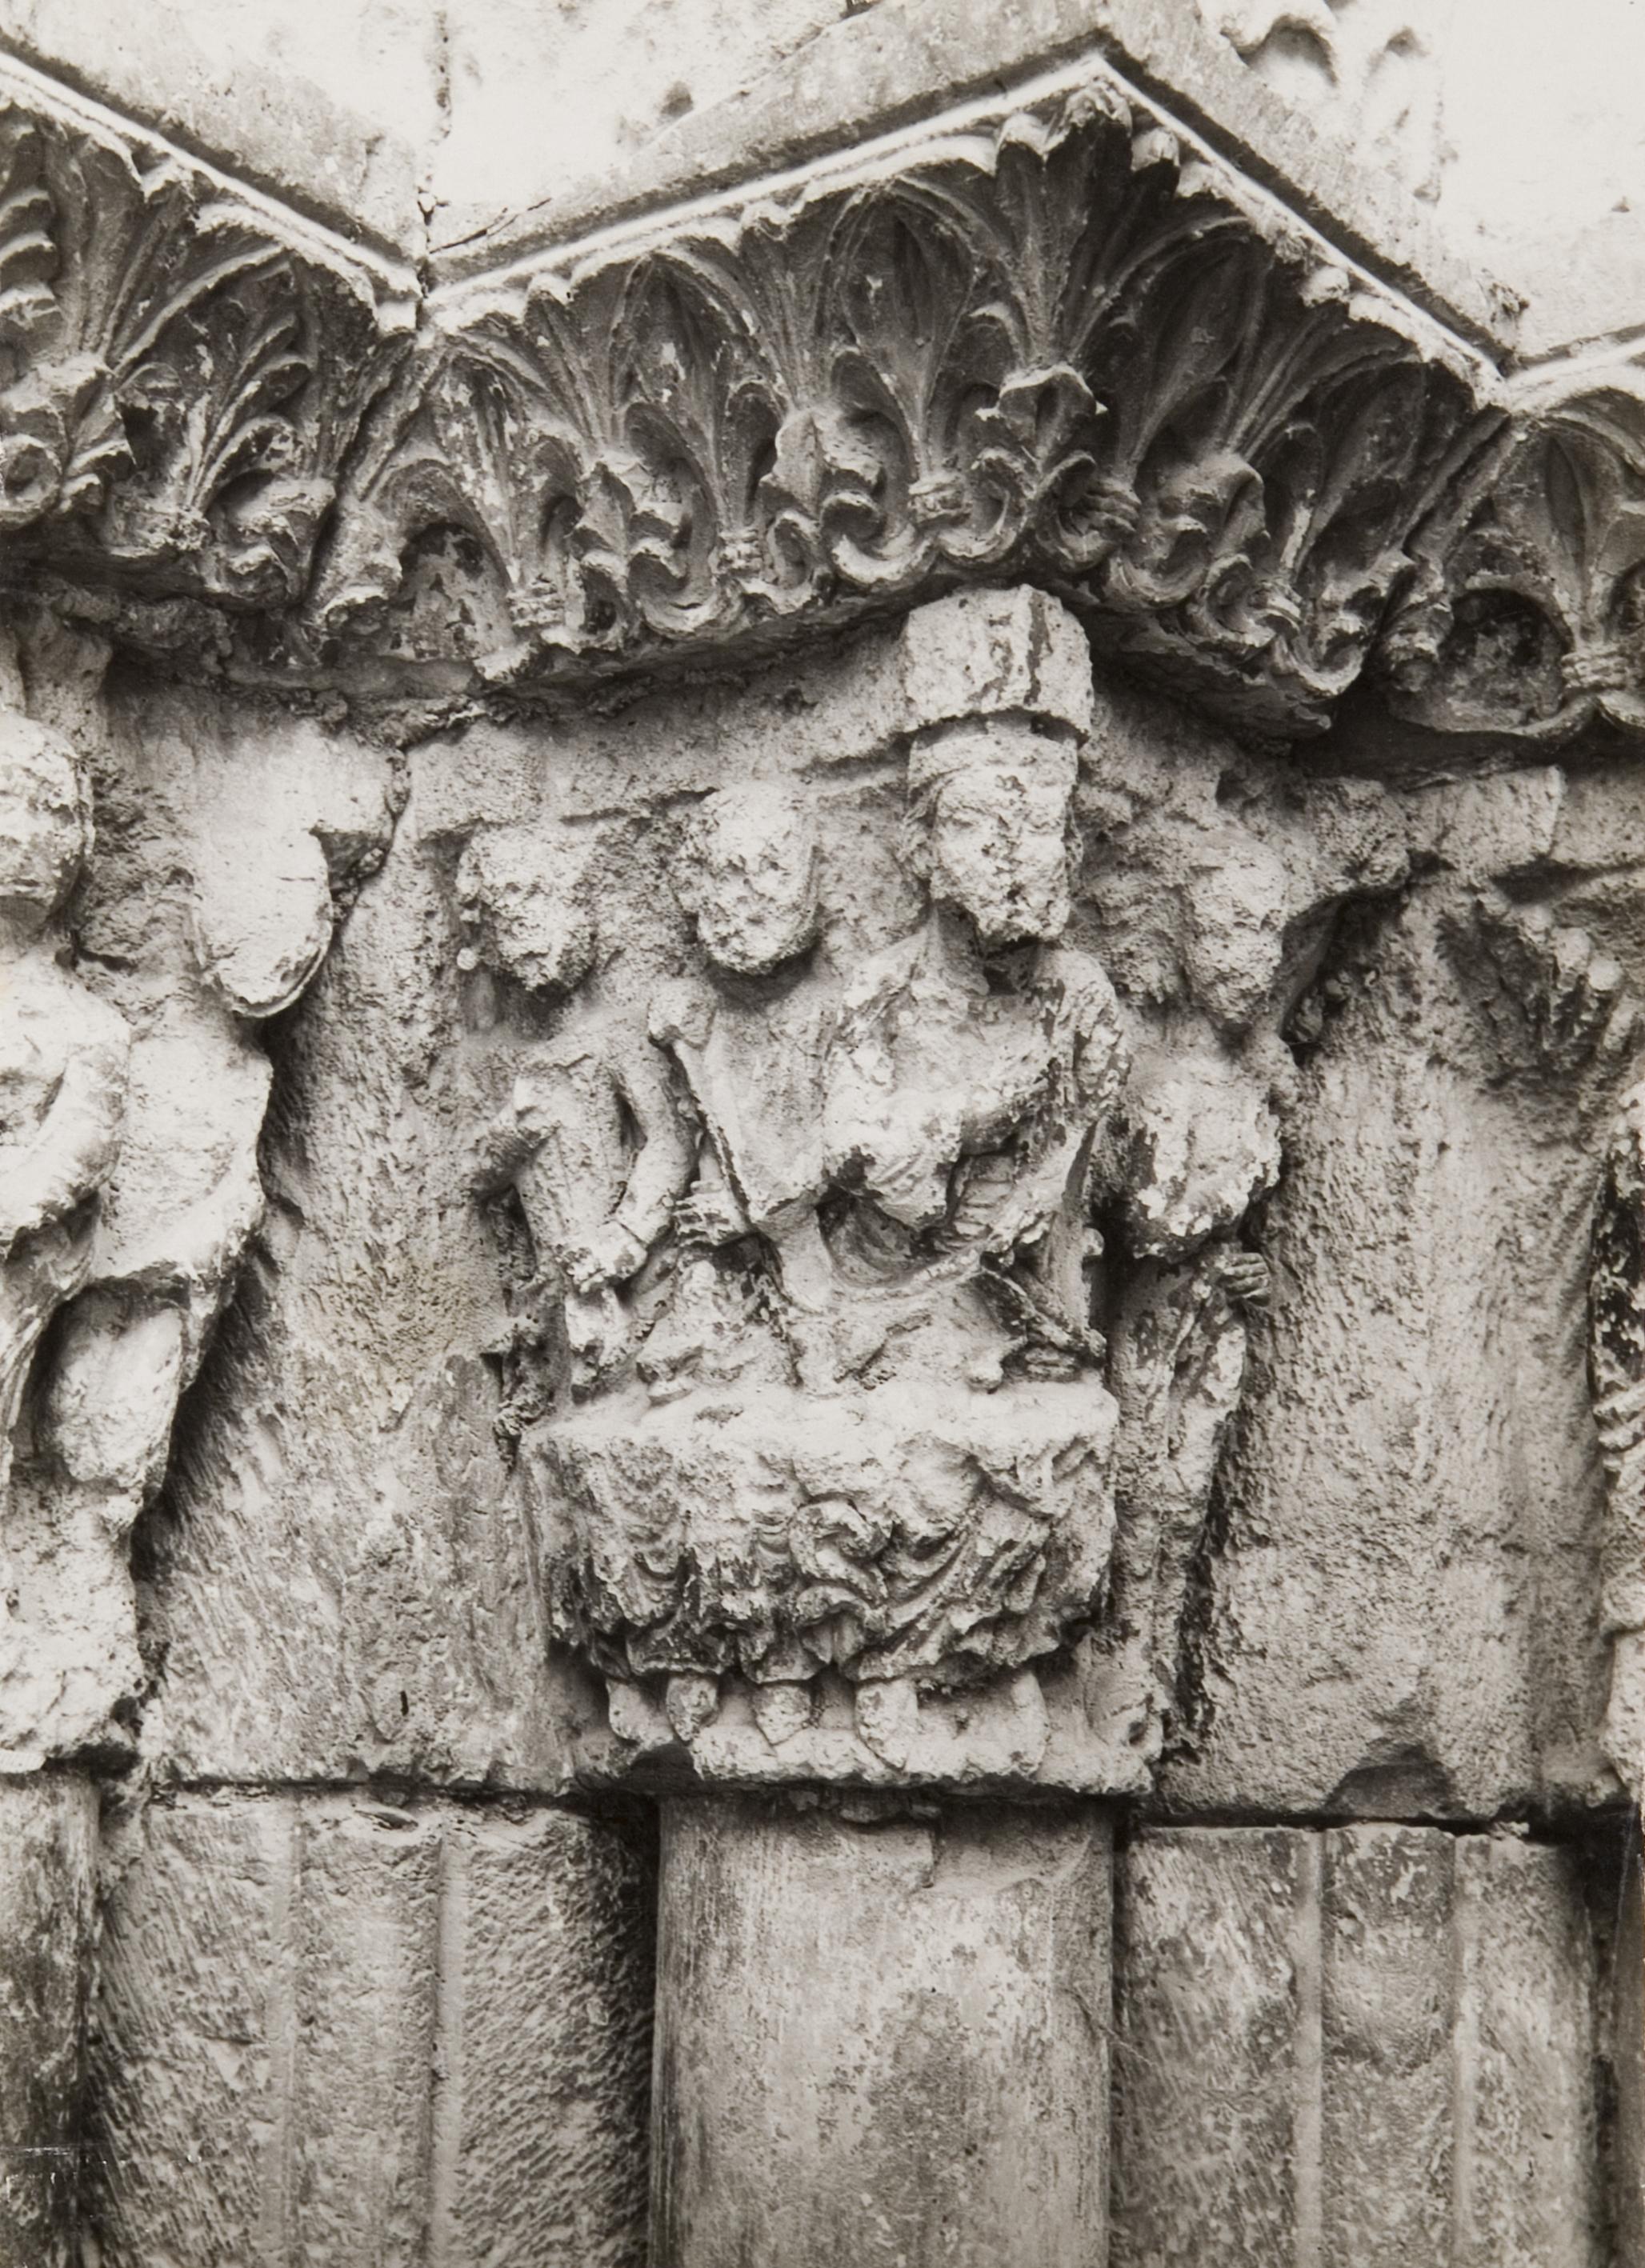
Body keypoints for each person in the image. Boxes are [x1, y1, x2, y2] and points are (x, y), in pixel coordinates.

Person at [0, 713, 128, 1513]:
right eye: (6, 802)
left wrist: (12, 1204)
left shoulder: (86, 1026)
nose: (22, 834)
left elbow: (81, 1145)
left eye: (50, 811)